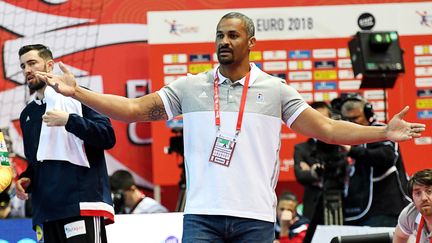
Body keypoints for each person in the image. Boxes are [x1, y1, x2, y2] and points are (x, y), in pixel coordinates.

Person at [35, 12, 425, 242]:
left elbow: (328, 129)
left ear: (250, 42)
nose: (224, 41)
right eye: (220, 35)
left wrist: (383, 133)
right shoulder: (190, 86)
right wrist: (79, 92)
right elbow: (135, 109)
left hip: (254, 217)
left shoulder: (275, 90)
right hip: (201, 216)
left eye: (232, 35)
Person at [16, 44, 116, 243]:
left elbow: (107, 136)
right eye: (23, 66)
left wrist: (70, 120)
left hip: (80, 204)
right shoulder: (27, 115)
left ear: (50, 65)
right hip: (47, 211)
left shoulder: (77, 96)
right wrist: (27, 178)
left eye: (32, 63)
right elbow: (37, 161)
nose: (27, 70)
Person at [341, 93, 411, 227]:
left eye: (355, 118)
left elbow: (386, 156)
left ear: (368, 114)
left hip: (383, 208)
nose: (351, 123)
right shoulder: (343, 137)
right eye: (347, 119)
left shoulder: (381, 130)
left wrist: (351, 150)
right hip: (355, 210)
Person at [293, 101, 333, 222]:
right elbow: (301, 176)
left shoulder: (341, 145)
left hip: (342, 206)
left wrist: (315, 171)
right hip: (312, 208)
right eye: (317, 118)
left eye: (325, 118)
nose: (322, 123)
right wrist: (314, 173)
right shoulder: (301, 148)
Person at [393, 168, 432, 243]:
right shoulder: (409, 214)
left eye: (429, 191)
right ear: (412, 200)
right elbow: (400, 236)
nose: (424, 198)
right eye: (418, 193)